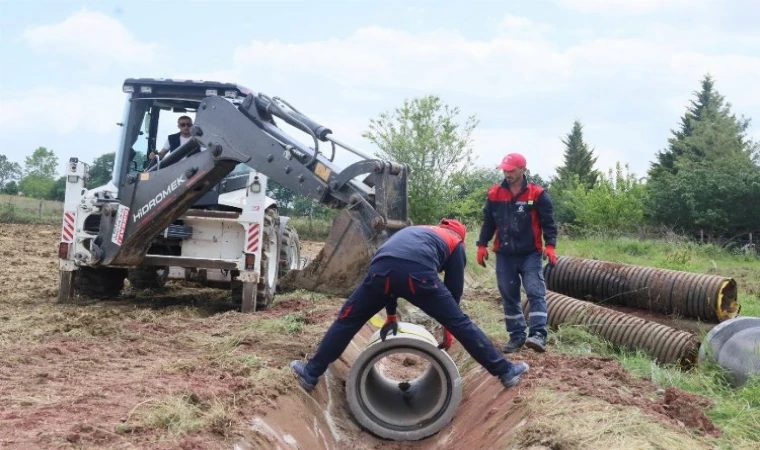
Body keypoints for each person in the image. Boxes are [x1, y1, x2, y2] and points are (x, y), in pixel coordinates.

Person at [290, 219, 529, 391]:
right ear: (461, 236)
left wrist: (391, 316)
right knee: (461, 323)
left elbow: (394, 266)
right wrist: (448, 327)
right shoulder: (455, 243)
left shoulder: (418, 231)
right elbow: (454, 290)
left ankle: (311, 373)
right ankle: (506, 372)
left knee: (347, 320)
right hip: (418, 275)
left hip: (379, 271)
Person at [476, 153, 558, 354]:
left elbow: (548, 223)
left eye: (511, 170)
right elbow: (489, 222)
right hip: (504, 255)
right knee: (509, 296)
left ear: (523, 169)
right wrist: (482, 244)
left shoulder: (537, 194)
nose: (507, 173)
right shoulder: (495, 194)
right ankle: (517, 336)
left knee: (534, 291)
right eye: (505, 170)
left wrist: (551, 245)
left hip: (530, 253)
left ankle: (538, 334)